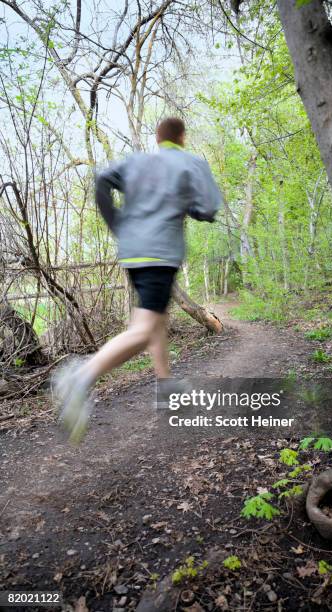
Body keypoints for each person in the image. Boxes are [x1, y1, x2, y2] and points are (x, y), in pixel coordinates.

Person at [53, 117, 222, 444]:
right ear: (181, 138)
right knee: (144, 331)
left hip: (132, 252)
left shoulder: (136, 161)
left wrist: (117, 222)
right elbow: (208, 207)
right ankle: (79, 376)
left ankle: (166, 387)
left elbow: (101, 179)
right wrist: (193, 209)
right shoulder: (190, 163)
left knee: (154, 318)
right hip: (160, 252)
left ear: (157, 139)